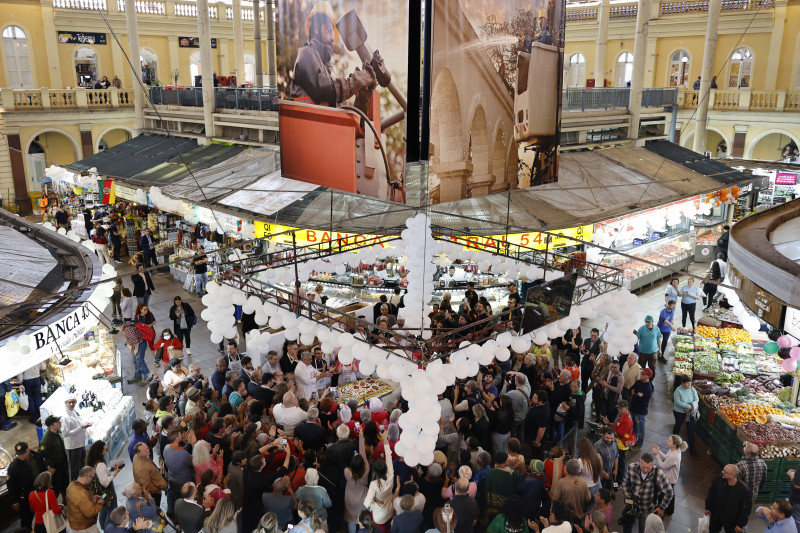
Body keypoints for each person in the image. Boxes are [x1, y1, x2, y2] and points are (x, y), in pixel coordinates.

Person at [620, 454, 673, 533]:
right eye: (643, 467)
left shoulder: (658, 474)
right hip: (632, 505)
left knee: (644, 530)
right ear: (639, 462)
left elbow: (669, 492)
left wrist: (662, 507)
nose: (645, 470)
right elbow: (625, 483)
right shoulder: (631, 467)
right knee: (627, 526)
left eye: (648, 468)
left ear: (653, 465)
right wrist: (628, 497)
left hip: (647, 508)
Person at [8, 441, 49, 529]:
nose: (20, 456)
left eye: (23, 453)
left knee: (44, 514)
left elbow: (44, 467)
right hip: (26, 497)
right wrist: (14, 501)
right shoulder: (13, 467)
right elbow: (11, 485)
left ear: (28, 450)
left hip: (40, 492)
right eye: (19, 454)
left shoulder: (37, 456)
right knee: (26, 519)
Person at [704, 464, 752, 533]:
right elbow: (711, 494)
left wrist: (740, 524)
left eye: (725, 471)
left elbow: (745, 510)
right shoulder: (718, 480)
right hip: (716, 515)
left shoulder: (744, 490)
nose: (722, 472)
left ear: (732, 475)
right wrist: (707, 507)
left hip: (732, 520)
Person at [163, 429, 198, 519]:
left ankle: (170, 511)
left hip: (172, 478)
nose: (182, 435)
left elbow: (179, 452)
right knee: (184, 499)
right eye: (180, 435)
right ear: (176, 439)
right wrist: (194, 445)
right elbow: (194, 461)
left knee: (172, 495)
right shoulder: (183, 454)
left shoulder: (166, 447)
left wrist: (188, 444)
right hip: (183, 481)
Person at [87, 440, 122, 528]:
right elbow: (105, 482)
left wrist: (111, 469)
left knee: (103, 509)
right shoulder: (101, 464)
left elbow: (100, 473)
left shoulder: (93, 462)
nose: (107, 451)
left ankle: (103, 526)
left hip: (100, 493)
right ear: (100, 451)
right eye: (106, 449)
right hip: (107, 492)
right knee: (112, 511)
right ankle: (108, 529)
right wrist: (115, 473)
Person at [651, 434, 688, 515]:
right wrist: (659, 451)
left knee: (664, 494)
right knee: (671, 493)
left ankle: (661, 508)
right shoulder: (673, 450)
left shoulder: (674, 455)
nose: (667, 441)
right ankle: (670, 510)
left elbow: (663, 465)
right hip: (671, 477)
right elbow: (665, 457)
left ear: (674, 444)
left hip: (669, 479)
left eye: (669, 441)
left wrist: (656, 454)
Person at [365, 436, 395, 531]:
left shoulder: (374, 484)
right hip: (390, 510)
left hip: (379, 516)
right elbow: (389, 456)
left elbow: (367, 503)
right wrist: (385, 440)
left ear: (375, 472)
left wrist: (375, 499)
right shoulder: (391, 474)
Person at [602, 400, 634, 484]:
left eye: (621, 408)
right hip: (617, 443)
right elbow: (615, 427)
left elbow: (617, 434)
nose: (619, 410)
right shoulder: (621, 415)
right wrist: (608, 423)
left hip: (621, 445)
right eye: (618, 408)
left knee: (620, 464)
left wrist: (605, 430)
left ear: (626, 408)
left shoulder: (627, 420)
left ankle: (619, 481)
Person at [66, 466, 105, 533]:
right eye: (92, 477)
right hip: (85, 527)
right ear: (87, 477)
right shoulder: (82, 494)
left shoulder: (71, 485)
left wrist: (92, 498)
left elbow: (78, 503)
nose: (92, 480)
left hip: (74, 523)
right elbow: (90, 513)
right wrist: (99, 503)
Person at [39, 415, 69, 497]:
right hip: (55, 467)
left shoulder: (58, 432)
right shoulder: (46, 440)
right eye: (57, 422)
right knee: (56, 487)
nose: (60, 422)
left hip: (63, 464)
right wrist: (48, 467)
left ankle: (65, 499)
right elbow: (40, 456)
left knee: (65, 484)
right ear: (52, 425)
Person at [63, 395, 90, 480]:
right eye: (69, 402)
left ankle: (82, 482)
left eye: (73, 402)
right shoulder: (65, 417)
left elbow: (79, 422)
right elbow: (66, 434)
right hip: (73, 446)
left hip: (81, 443)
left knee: (82, 465)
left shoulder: (75, 411)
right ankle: (75, 484)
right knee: (74, 468)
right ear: (65, 403)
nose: (71, 404)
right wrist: (81, 427)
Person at [133, 441, 167, 507]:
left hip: (156, 482)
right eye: (145, 450)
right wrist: (157, 490)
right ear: (139, 453)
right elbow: (147, 486)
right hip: (153, 494)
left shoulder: (137, 457)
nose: (148, 450)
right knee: (156, 507)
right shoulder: (142, 468)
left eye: (147, 448)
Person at [672, 375, 699, 455]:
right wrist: (687, 406)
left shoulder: (692, 389)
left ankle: (692, 449)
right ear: (682, 383)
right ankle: (674, 444)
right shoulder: (678, 390)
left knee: (690, 429)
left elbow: (696, 399)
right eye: (687, 383)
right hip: (679, 412)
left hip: (689, 413)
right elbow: (677, 402)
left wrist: (690, 407)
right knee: (678, 427)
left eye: (690, 383)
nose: (689, 385)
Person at [629, 369, 654, 450]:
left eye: (643, 374)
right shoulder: (639, 382)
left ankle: (639, 445)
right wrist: (636, 394)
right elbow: (631, 389)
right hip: (633, 408)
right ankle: (633, 439)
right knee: (634, 426)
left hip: (640, 411)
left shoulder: (648, 387)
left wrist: (634, 394)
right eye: (641, 372)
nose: (641, 374)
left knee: (640, 429)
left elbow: (640, 399)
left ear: (648, 376)